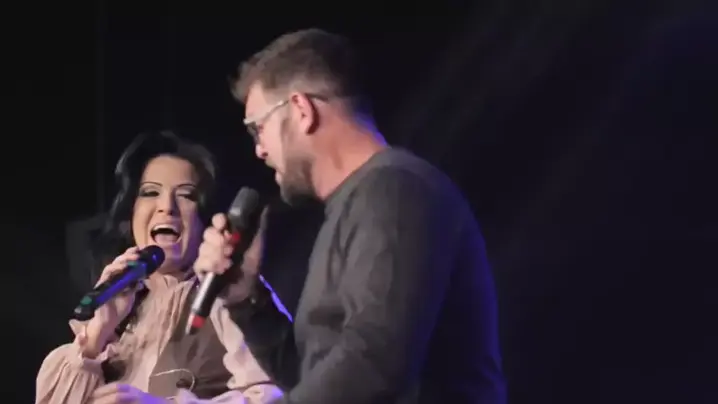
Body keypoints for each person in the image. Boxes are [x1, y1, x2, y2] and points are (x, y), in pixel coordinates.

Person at [194, 29, 506, 404]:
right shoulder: (354, 205)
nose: (259, 150)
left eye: (258, 129)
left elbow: (373, 366)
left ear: (301, 110)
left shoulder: (397, 190)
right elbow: (317, 381)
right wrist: (248, 299)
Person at [36, 131, 282, 404]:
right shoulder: (118, 312)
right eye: (150, 192)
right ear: (131, 213)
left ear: (206, 218)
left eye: (186, 195)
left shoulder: (228, 294)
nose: (167, 207)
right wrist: (97, 333)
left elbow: (275, 395)